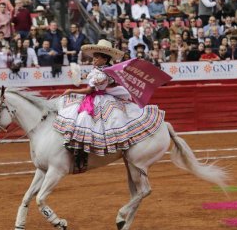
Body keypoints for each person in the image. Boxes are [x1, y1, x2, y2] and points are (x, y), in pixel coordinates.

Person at [53, 39, 164, 172]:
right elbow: (90, 75)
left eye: (97, 57)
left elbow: (90, 90)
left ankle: (82, 152)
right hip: (97, 96)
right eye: (94, 56)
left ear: (105, 60)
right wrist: (81, 76)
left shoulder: (103, 74)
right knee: (85, 117)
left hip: (100, 98)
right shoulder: (101, 69)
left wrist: (71, 90)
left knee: (86, 118)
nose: (94, 59)